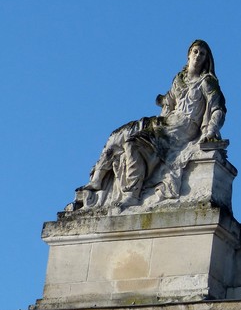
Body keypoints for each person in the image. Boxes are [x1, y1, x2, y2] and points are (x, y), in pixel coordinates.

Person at [76, 40, 226, 210]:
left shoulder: (207, 82)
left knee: (133, 144)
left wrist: (211, 130)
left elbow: (217, 109)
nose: (198, 56)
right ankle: (97, 178)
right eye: (196, 51)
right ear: (189, 54)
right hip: (165, 123)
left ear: (207, 59)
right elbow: (169, 102)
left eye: (202, 54)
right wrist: (164, 102)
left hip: (182, 130)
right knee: (118, 134)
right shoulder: (179, 79)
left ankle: (131, 194)